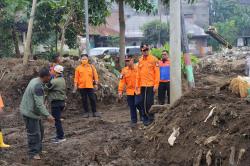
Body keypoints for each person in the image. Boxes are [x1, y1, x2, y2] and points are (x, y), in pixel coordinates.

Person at [20, 67, 54, 160]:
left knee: (41, 131)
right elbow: (39, 104)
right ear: (46, 76)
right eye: (50, 76)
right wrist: (48, 115)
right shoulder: (37, 86)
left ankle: (38, 149)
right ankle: (33, 153)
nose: (51, 77)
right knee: (34, 133)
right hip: (30, 113)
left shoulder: (35, 80)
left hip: (33, 111)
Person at [118, 56, 148, 127]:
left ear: (132, 60)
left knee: (138, 103)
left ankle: (142, 116)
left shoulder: (138, 68)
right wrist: (120, 91)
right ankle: (134, 120)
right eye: (126, 61)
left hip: (138, 90)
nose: (127, 62)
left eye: (128, 60)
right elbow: (122, 82)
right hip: (129, 91)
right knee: (132, 106)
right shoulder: (124, 70)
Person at [136, 44, 160, 123]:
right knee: (141, 102)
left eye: (147, 50)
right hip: (142, 85)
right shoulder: (140, 60)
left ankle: (151, 118)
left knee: (149, 103)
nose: (146, 51)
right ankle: (145, 117)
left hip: (150, 85)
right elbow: (138, 74)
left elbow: (157, 73)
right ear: (141, 51)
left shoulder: (154, 59)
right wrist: (137, 85)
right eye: (144, 50)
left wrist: (156, 85)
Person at [45, 65, 66, 144]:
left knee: (57, 121)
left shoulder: (54, 81)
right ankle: (59, 135)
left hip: (56, 103)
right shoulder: (62, 79)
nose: (51, 72)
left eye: (52, 70)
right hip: (61, 102)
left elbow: (46, 87)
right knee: (58, 120)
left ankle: (60, 137)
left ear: (55, 72)